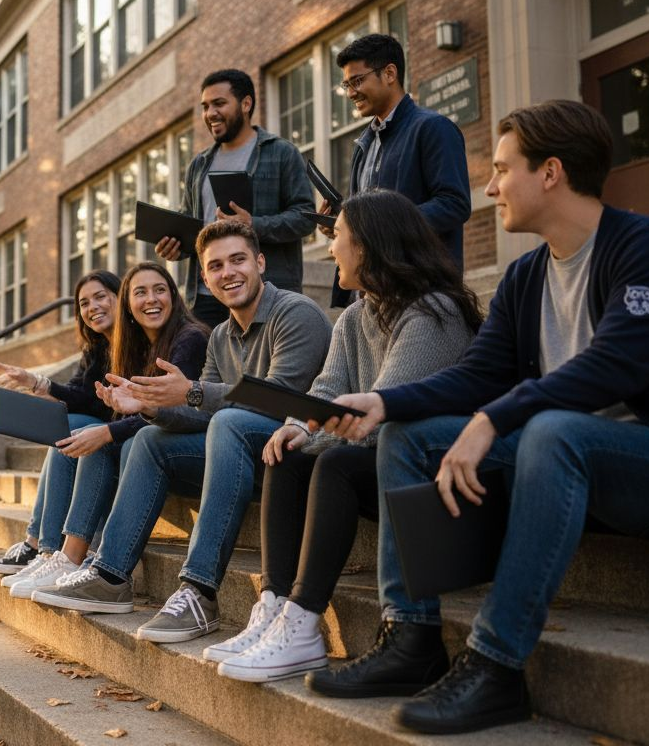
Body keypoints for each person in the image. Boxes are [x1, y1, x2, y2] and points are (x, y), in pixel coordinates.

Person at [308, 100, 649, 735]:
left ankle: (495, 664)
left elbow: (616, 367)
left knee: (550, 428)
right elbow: (480, 374)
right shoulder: (526, 275)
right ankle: (411, 638)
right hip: (557, 463)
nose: (488, 187)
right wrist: (385, 402)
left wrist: (489, 422)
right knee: (405, 436)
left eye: (503, 168)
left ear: (551, 173)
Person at [204, 190, 482, 683]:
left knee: (333, 461)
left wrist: (310, 434)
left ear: (370, 246)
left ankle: (305, 620)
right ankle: (273, 605)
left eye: (339, 237)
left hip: (435, 481)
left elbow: (377, 417)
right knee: (284, 454)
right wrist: (294, 429)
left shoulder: (434, 313)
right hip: (381, 468)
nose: (330, 248)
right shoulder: (355, 315)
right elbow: (327, 390)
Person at [33, 220, 332, 645]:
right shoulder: (222, 336)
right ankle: (111, 575)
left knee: (228, 421)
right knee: (149, 438)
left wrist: (191, 391)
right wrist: (153, 408)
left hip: (295, 458)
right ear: (205, 279)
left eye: (238, 260)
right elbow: (199, 413)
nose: (227, 272)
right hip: (237, 457)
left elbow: (281, 397)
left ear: (261, 262)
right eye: (215, 266)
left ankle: (199, 591)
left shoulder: (295, 312)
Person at [3, 263, 209, 597]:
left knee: (104, 436)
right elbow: (93, 397)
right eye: (140, 292)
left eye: (159, 290)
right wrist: (39, 385)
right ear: (130, 303)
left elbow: (177, 410)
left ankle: (85, 559)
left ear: (173, 294)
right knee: (92, 434)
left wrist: (111, 428)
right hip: (154, 435)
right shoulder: (135, 344)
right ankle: (64, 555)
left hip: (186, 443)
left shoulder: (188, 339)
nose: (150, 299)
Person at [0, 270, 121, 574]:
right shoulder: (97, 347)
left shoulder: (136, 341)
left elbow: (90, 403)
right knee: (65, 427)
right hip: (101, 427)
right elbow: (78, 395)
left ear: (119, 296)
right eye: (84, 303)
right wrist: (32, 383)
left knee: (72, 428)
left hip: (127, 433)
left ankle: (43, 548)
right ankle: (38, 546)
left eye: (100, 297)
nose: (92, 307)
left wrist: (40, 385)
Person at [155, 69, 317, 327]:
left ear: (246, 104)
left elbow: (306, 217)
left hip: (265, 291)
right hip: (207, 296)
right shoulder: (199, 165)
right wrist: (177, 246)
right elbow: (193, 226)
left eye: (219, 103)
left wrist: (254, 224)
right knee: (209, 368)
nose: (210, 114)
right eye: (205, 106)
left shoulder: (280, 153)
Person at [328, 33, 470, 307]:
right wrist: (343, 224)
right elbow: (368, 216)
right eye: (347, 84)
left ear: (390, 73)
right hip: (372, 293)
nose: (350, 93)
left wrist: (380, 226)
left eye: (357, 81)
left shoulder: (433, 128)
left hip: (422, 290)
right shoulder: (363, 144)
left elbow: (455, 204)